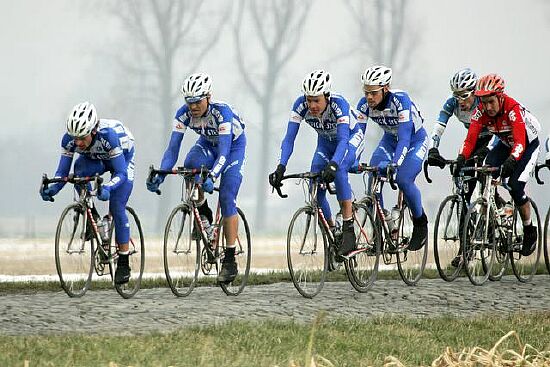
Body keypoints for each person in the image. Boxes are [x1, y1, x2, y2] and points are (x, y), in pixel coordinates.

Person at [146, 73, 246, 283]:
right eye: (189, 102)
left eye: (197, 102)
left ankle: (229, 259)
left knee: (227, 196)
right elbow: (173, 149)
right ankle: (205, 214)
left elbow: (225, 152)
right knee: (190, 165)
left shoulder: (222, 113)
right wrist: (163, 173)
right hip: (208, 144)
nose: (192, 107)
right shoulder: (183, 114)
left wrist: (214, 175)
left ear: (208, 97)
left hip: (233, 148)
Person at [268, 69, 363, 259]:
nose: (311, 105)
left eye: (316, 100)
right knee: (314, 186)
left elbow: (344, 140)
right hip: (325, 143)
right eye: (309, 100)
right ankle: (334, 231)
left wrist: (334, 164)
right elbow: (289, 139)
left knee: (340, 171)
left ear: (326, 97)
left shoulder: (339, 105)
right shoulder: (299, 106)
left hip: (349, 140)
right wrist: (281, 167)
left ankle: (348, 226)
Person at [41, 102, 136, 284]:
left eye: (82, 138)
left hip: (122, 158)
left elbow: (121, 173)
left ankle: (124, 261)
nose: (77, 143)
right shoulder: (69, 140)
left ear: (93, 131)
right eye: (75, 138)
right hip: (95, 157)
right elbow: (62, 173)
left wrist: (108, 187)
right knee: (79, 171)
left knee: (117, 206)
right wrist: (53, 189)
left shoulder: (109, 136)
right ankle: (92, 216)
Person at [454, 73, 541, 256]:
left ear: (500, 97)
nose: (488, 107)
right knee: (485, 172)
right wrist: (462, 158)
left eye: (491, 102)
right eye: (483, 102)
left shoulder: (512, 109)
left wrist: (511, 161)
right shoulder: (480, 112)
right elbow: (470, 140)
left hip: (526, 145)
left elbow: (519, 143)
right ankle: (496, 211)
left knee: (516, 187)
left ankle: (529, 229)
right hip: (504, 144)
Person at [355, 65, 428, 251]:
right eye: (366, 92)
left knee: (403, 179)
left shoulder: (400, 100)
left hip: (414, 141)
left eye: (373, 93)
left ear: (385, 89)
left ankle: (420, 223)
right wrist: (350, 160)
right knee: (373, 172)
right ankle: (379, 228)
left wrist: (395, 164)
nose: (369, 97)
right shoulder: (363, 106)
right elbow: (357, 136)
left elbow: (404, 137)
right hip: (389, 141)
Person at [427, 68, 493, 201]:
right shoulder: (452, 103)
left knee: (484, 168)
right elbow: (439, 126)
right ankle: (467, 211)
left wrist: (488, 150)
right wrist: (432, 149)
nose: (460, 101)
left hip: (493, 137)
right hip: (473, 138)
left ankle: (492, 199)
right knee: (461, 169)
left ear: (474, 92)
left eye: (464, 95)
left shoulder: (483, 102)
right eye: (456, 95)